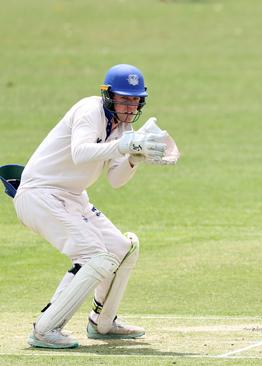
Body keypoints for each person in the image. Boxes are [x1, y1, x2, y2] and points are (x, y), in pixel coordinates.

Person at [14, 64, 173, 348]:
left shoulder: (124, 128)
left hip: (73, 197)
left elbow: (115, 179)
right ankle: (45, 329)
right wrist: (125, 146)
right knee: (95, 257)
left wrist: (135, 158)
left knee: (123, 250)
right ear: (108, 95)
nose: (129, 105)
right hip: (40, 194)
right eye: (124, 98)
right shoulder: (89, 110)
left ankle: (102, 323)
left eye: (135, 100)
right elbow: (80, 153)